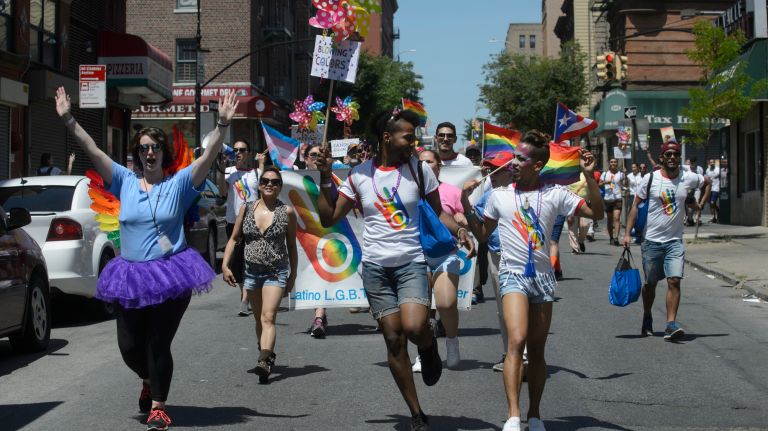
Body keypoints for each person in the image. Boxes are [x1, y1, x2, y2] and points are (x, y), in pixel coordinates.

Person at [55, 87, 237, 431]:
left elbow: (206, 159)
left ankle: (158, 406)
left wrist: (223, 125)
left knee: (158, 341)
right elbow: (92, 150)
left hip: (172, 274)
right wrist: (68, 118)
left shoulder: (180, 184)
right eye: (143, 148)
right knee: (129, 346)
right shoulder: (123, 181)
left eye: (155, 147)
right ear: (136, 155)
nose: (149, 153)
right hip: (131, 275)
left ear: (162, 153)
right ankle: (148, 378)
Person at [316, 109, 475, 431]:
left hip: (411, 263)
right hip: (375, 269)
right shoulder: (359, 174)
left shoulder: (419, 171)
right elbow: (329, 217)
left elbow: (438, 212)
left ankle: (428, 348)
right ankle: (416, 413)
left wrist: (460, 231)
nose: (412, 143)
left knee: (416, 328)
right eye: (407, 137)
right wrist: (323, 178)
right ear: (387, 138)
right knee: (393, 340)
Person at [461, 130, 604, 431]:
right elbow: (484, 234)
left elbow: (596, 213)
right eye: (514, 156)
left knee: (537, 350)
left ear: (537, 165)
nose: (513, 162)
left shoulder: (556, 194)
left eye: (520, 158)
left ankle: (535, 414)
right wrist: (464, 203)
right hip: (513, 275)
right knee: (516, 341)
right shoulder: (499, 196)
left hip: (542, 278)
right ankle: (513, 415)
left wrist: (589, 177)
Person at [624, 140, 711, 341]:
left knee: (674, 281)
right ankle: (647, 315)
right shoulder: (649, 179)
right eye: (668, 154)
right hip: (652, 241)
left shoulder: (687, 177)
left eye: (675, 154)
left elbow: (707, 182)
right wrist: (627, 233)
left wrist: (700, 204)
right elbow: (635, 206)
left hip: (674, 241)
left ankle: (670, 325)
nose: (672, 157)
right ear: (662, 158)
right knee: (651, 283)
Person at [222, 166, 297, 383]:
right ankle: (264, 349)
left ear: (280, 186)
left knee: (268, 316)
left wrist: (291, 278)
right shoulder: (246, 209)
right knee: (258, 319)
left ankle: (264, 361)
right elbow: (234, 239)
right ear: (259, 184)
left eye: (274, 182)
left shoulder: (287, 212)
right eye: (265, 181)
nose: (269, 185)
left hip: (276, 271)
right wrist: (225, 265)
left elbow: (292, 247)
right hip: (252, 272)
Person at [411, 149, 467, 372]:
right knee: (421, 310)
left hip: (445, 252)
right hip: (415, 253)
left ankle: (452, 341)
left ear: (439, 166)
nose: (425, 165)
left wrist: (461, 224)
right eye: (421, 162)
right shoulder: (407, 189)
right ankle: (424, 352)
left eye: (430, 162)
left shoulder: (452, 191)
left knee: (445, 303)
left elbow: (460, 217)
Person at [217, 139, 263, 317]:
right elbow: (221, 191)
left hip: (252, 222)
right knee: (237, 263)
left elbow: (264, 191)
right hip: (232, 222)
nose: (238, 153)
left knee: (250, 261)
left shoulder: (256, 173)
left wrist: (262, 164)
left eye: (242, 150)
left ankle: (245, 300)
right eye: (235, 150)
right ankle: (246, 293)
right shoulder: (229, 172)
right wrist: (221, 170)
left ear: (248, 153)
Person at [301, 143, 332, 337]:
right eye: (312, 155)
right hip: (307, 235)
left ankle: (320, 315)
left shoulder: (332, 177)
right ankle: (319, 315)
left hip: (331, 232)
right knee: (315, 273)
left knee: (326, 272)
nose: (315, 158)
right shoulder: (295, 180)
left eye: (319, 155)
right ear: (305, 159)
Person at [599, 158, 626, 246]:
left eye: (615, 162)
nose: (613, 163)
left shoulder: (621, 174)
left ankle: (616, 238)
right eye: (611, 162)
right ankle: (611, 237)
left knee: (617, 218)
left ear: (617, 163)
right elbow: (599, 184)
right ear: (609, 163)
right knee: (610, 220)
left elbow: (626, 184)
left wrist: (625, 175)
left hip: (617, 198)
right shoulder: (605, 174)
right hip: (608, 199)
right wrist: (606, 182)